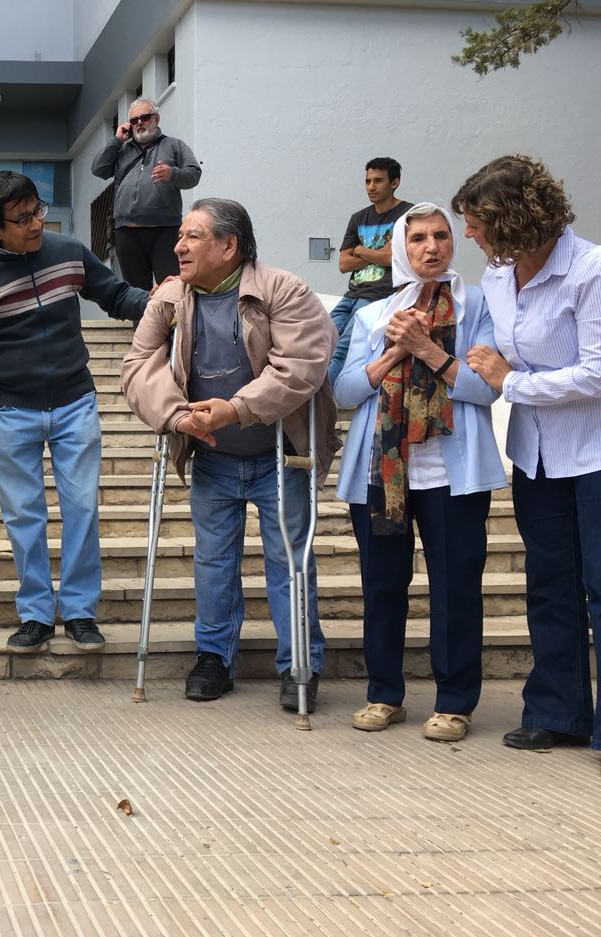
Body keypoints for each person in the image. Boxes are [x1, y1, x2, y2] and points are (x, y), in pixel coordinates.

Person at [121, 198, 338, 709]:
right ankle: (213, 658)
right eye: (180, 236)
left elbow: (302, 365)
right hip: (213, 457)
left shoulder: (282, 290)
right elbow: (138, 366)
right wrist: (177, 416)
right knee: (213, 562)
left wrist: (234, 409)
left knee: (289, 561)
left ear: (229, 245)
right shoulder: (170, 298)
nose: (178, 246)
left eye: (192, 236)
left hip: (281, 455)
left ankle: (299, 664)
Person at [333, 203, 506, 742]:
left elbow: (487, 389)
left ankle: (454, 702)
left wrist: (427, 349)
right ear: (401, 250)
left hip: (453, 476)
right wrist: (392, 351)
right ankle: (384, 695)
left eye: (441, 236)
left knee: (456, 588)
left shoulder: (477, 306)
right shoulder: (372, 314)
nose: (431, 247)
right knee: (382, 586)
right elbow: (344, 391)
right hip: (383, 471)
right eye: (418, 239)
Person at [0, 171, 147, 653]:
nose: (36, 223)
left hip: (74, 401)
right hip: (9, 411)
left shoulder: (68, 252)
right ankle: (36, 614)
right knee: (24, 516)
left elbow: (116, 295)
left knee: (82, 508)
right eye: (22, 219)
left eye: (37, 210)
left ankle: (80, 611)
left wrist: (160, 303)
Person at [454, 155, 601, 753]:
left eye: (476, 221)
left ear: (513, 218)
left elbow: (596, 373)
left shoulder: (590, 270)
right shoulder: (497, 277)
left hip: (593, 453)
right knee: (548, 584)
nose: (468, 233)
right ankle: (558, 713)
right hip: (536, 455)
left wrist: (511, 381)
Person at [90, 97, 201, 294]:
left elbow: (193, 175)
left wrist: (172, 173)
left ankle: (172, 317)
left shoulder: (174, 146)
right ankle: (142, 317)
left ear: (156, 118)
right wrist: (116, 140)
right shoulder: (121, 149)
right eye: (134, 120)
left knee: (171, 290)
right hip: (126, 232)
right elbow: (98, 169)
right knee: (136, 294)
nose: (139, 123)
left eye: (145, 117)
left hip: (164, 230)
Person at [328, 158, 412, 386]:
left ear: (394, 182)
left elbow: (394, 258)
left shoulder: (407, 215)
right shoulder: (358, 218)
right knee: (322, 341)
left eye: (378, 181)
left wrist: (360, 250)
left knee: (343, 348)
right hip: (352, 295)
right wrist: (378, 253)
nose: (371, 187)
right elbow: (344, 264)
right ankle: (318, 398)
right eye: (368, 181)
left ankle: (324, 401)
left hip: (381, 295)